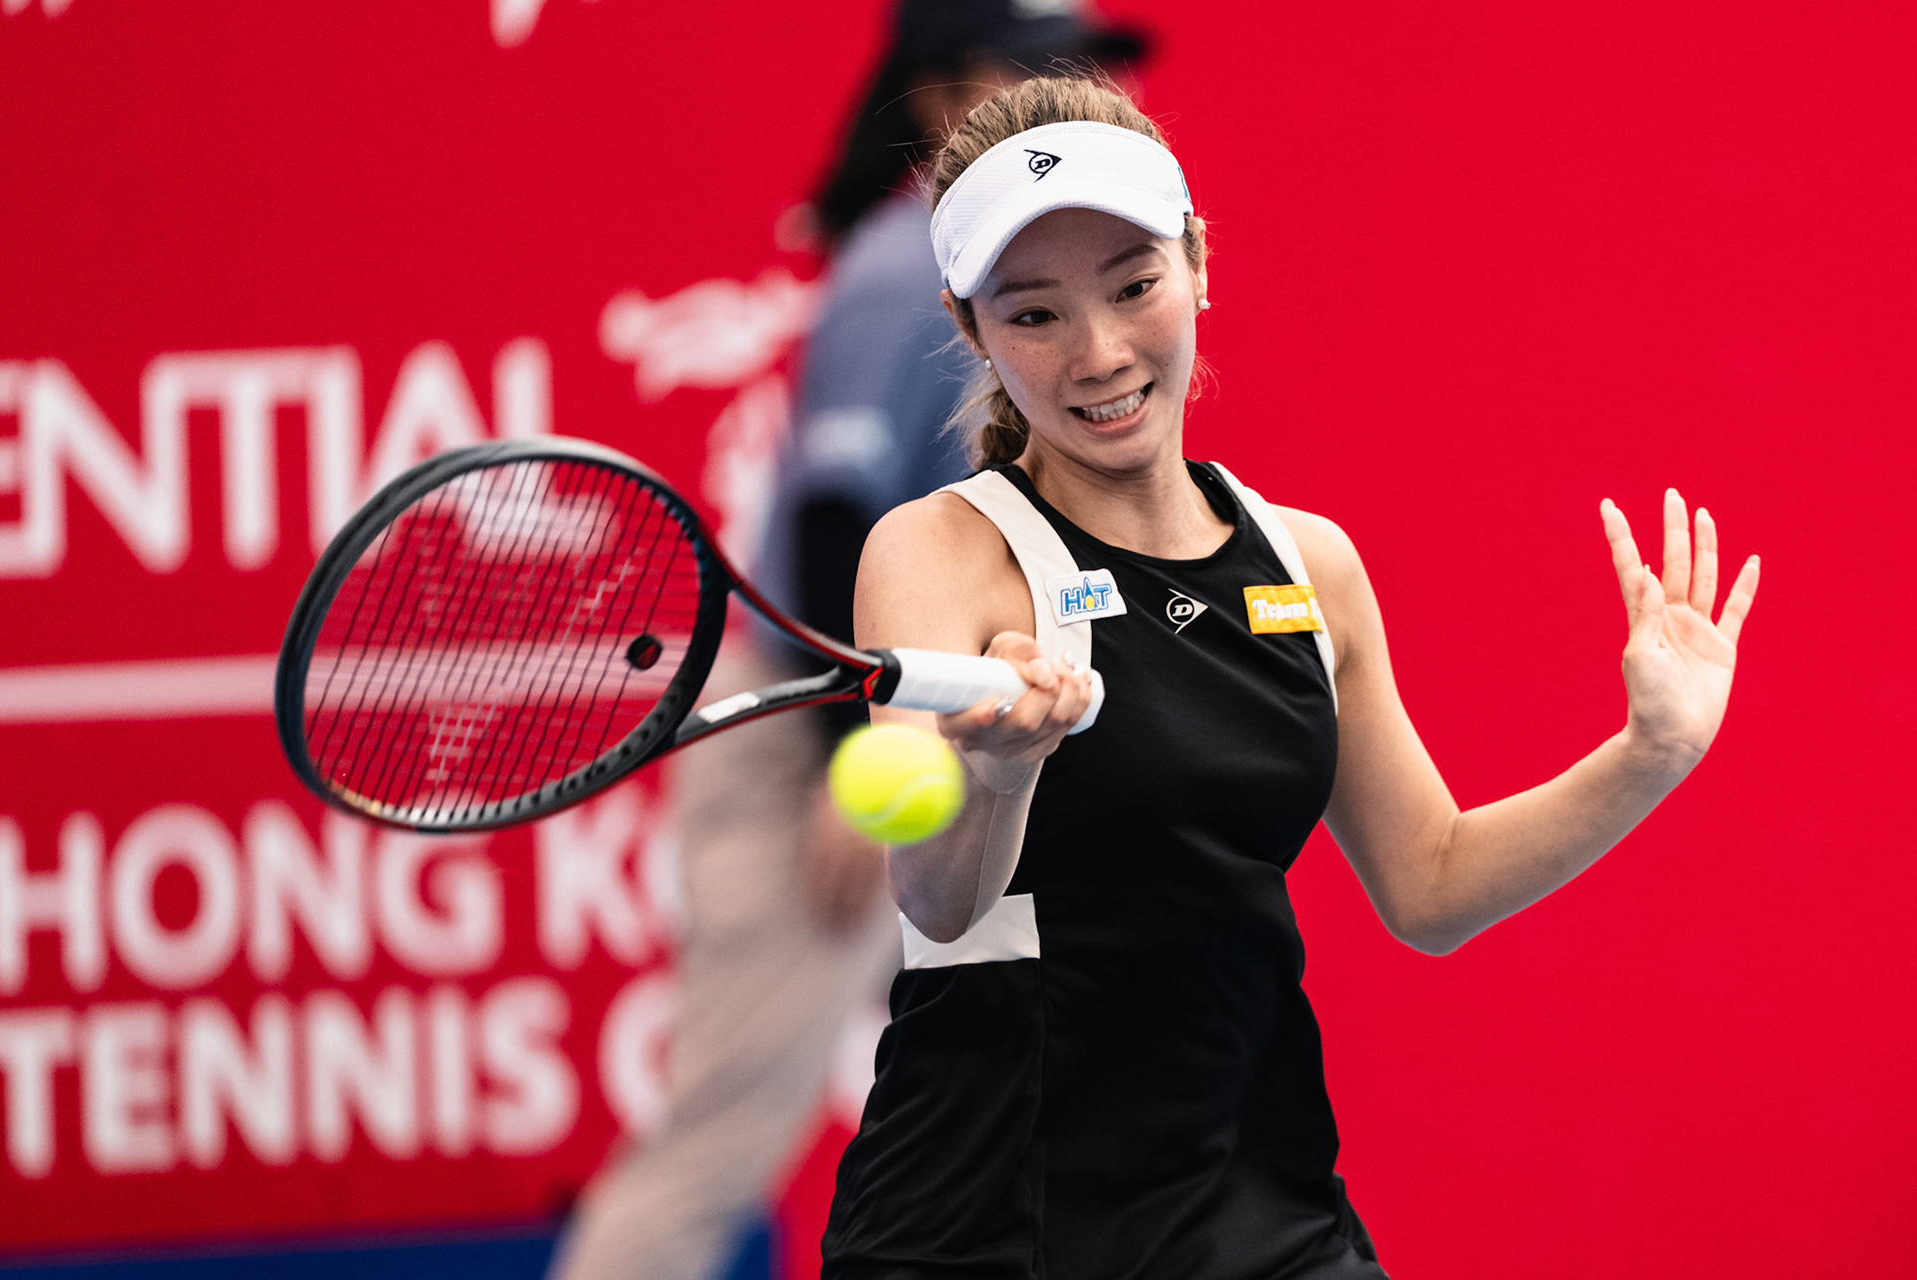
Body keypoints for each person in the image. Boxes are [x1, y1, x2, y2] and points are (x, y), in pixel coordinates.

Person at [820, 76, 1762, 1278]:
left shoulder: (1309, 563)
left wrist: (1650, 755)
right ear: (973, 329)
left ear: (1199, 261)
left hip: (1261, 1216)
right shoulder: (937, 550)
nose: (1100, 351)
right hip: (990, 1226)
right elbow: (940, 901)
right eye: (1036, 313)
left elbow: (1431, 883)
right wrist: (1003, 771)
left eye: (1134, 284)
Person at [547, 9, 1148, 1280]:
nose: (1067, 99)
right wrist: (849, 760)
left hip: (961, 727)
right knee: (720, 1141)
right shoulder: (897, 272)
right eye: (1031, 70)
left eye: (1075, 71)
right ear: (941, 102)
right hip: (826, 730)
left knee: (1054, 1103)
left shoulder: (1040, 295)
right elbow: (832, 515)